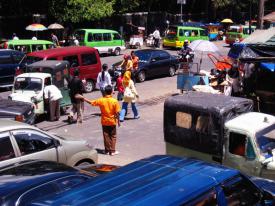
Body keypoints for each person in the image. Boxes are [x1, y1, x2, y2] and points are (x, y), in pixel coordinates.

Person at [82, 85, 121, 156]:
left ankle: (107, 150)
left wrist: (84, 98)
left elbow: (91, 102)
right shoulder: (114, 101)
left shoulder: (101, 100)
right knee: (113, 136)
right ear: (111, 92)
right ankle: (112, 151)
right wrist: (119, 121)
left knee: (106, 136)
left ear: (105, 92)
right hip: (112, 121)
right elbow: (117, 112)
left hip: (104, 121)